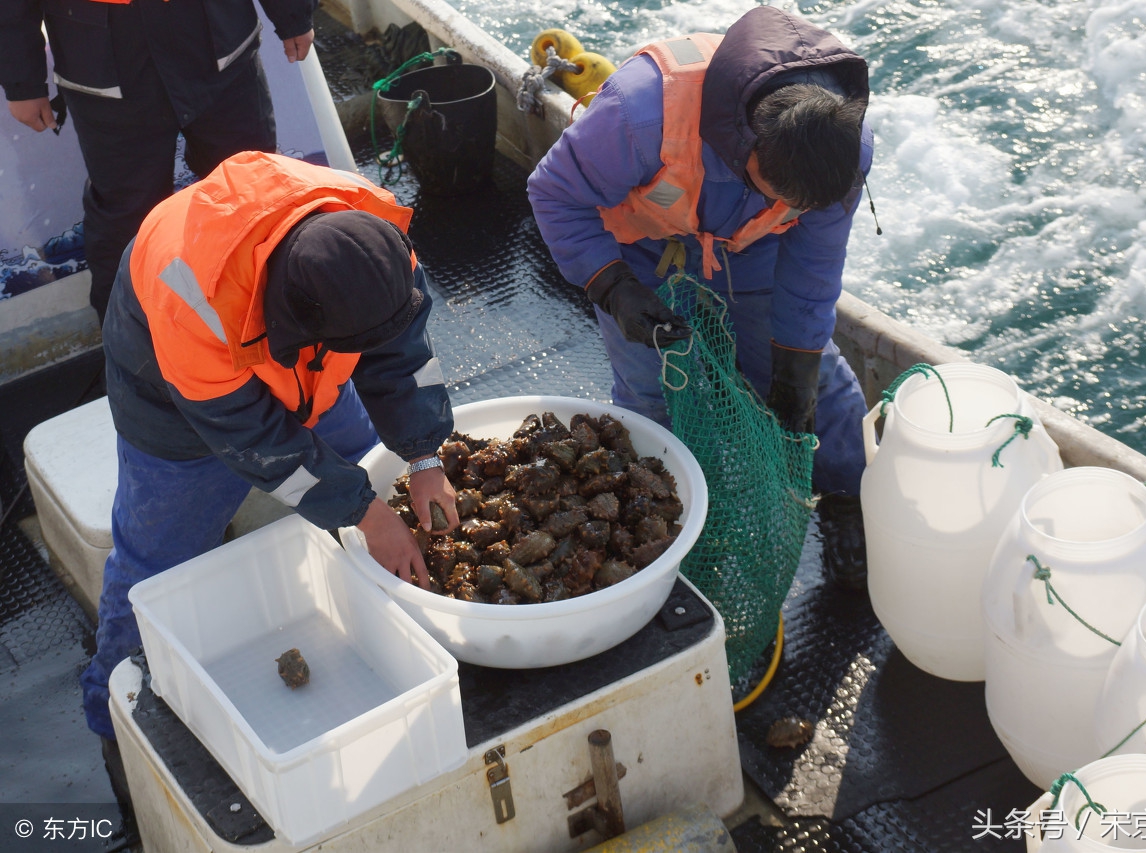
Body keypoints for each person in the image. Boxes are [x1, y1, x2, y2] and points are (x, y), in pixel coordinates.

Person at [79, 150, 458, 833]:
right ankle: (113, 718)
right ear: (299, 323)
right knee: (154, 563)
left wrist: (426, 453)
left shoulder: (374, 237)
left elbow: (402, 351)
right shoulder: (188, 296)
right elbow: (257, 440)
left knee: (355, 474)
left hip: (309, 366)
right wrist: (363, 509)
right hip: (173, 397)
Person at [527, 6, 874, 590]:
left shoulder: (843, 148)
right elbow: (555, 194)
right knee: (651, 393)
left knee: (820, 390)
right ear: (747, 149)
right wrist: (611, 285)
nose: (793, 205)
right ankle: (661, 525)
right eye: (779, 192)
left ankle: (848, 501)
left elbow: (813, 265)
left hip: (753, 249)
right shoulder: (637, 111)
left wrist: (797, 362)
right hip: (638, 249)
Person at [0, 0, 317, 326]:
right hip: (102, 64)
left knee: (255, 190)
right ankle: (132, 355)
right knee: (127, 223)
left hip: (220, 40)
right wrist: (22, 81)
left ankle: (296, 322)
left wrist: (293, 14)